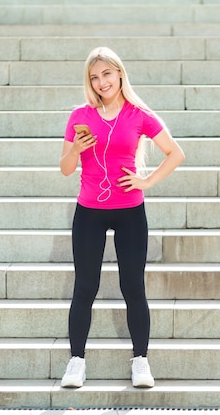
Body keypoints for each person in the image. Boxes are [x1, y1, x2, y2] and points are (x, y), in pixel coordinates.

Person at [59, 47, 185, 388]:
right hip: (89, 212)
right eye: (94, 77)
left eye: (106, 74)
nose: (101, 82)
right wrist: (75, 149)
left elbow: (176, 153)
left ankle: (141, 360)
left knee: (133, 286)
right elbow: (66, 169)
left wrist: (146, 181)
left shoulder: (139, 114)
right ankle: (76, 362)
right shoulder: (79, 116)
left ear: (119, 74)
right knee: (85, 287)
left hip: (130, 212)